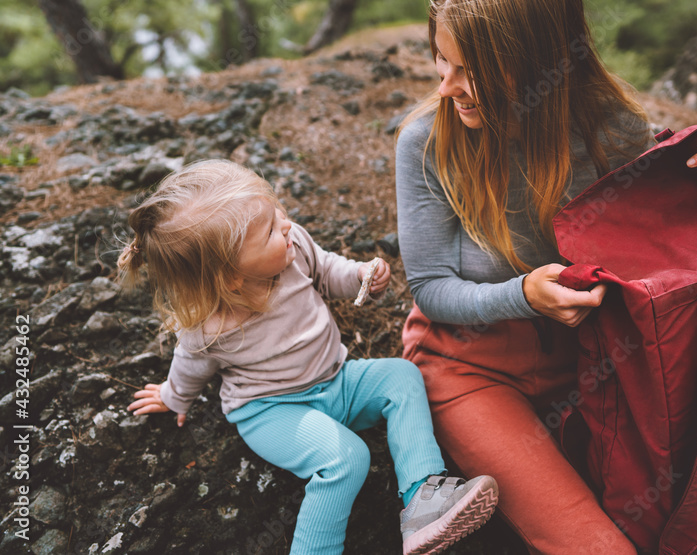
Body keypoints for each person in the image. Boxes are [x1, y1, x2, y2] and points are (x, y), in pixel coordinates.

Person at [395, 0, 697, 554]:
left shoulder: (612, 130)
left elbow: (663, 254)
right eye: (442, 61)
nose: (449, 85)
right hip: (470, 367)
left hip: (592, 361)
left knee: (662, 525)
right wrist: (525, 297)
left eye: (471, 69)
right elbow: (429, 289)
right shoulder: (428, 144)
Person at [119, 159, 499, 555]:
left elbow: (326, 270)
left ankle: (424, 497)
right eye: (268, 229)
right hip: (271, 410)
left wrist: (359, 277)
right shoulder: (209, 326)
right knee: (348, 459)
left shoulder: (292, 246)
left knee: (401, 376)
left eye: (276, 210)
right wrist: (172, 396)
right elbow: (189, 367)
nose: (284, 223)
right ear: (231, 276)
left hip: (336, 381)